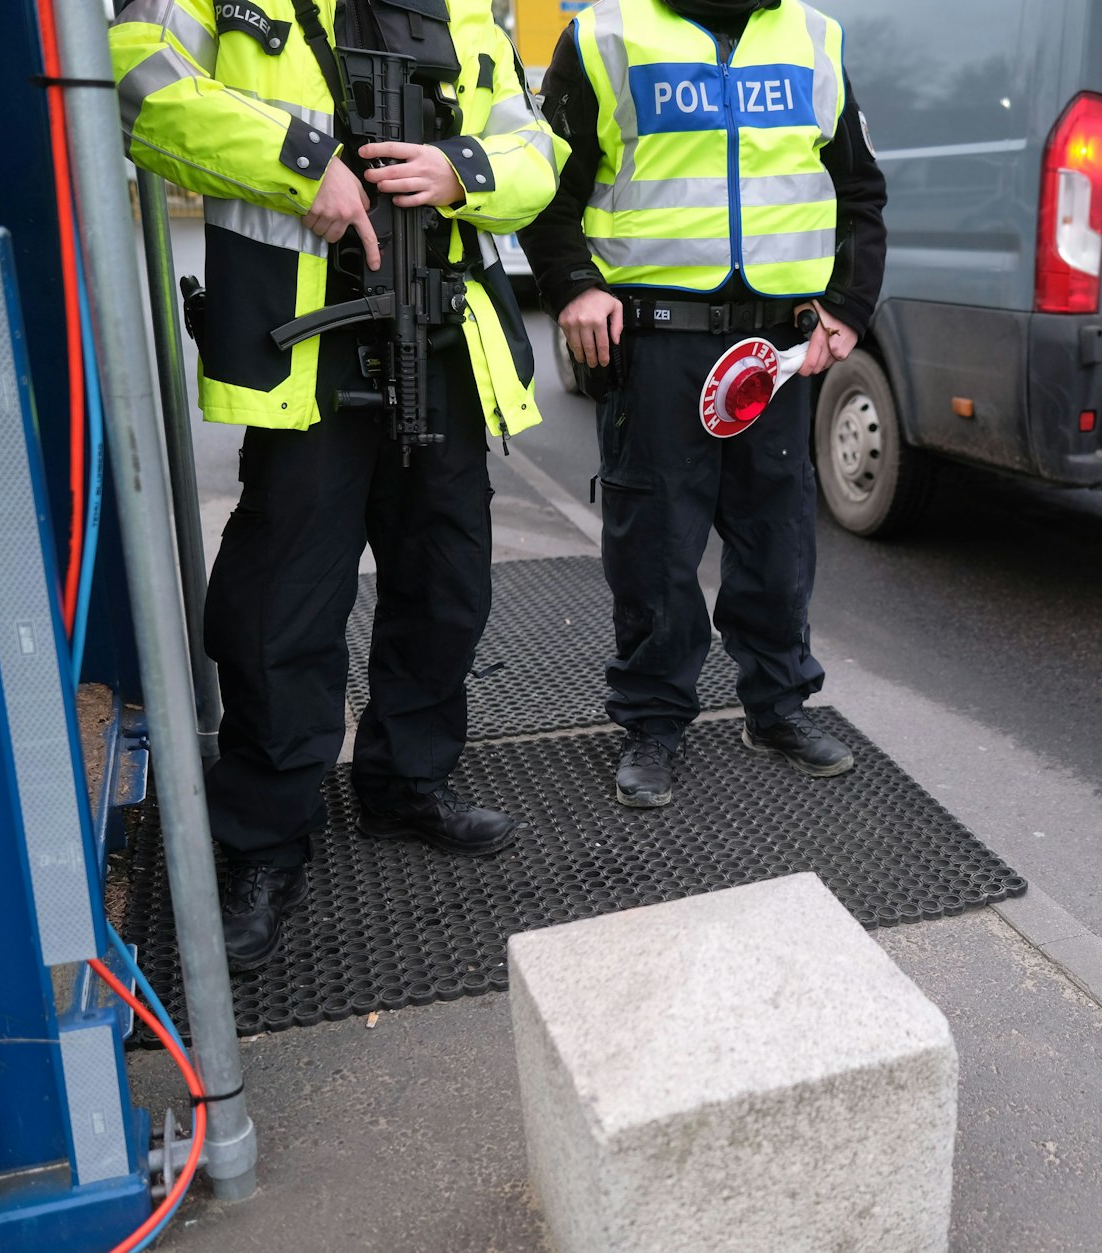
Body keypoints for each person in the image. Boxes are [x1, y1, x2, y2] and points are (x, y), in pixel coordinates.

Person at [111, 0, 568, 970]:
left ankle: (404, 780)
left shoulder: (467, 10)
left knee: (446, 585)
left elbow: (536, 151)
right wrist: (295, 160)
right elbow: (135, 85)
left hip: (442, 340)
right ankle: (265, 840)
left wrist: (463, 169)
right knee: (279, 610)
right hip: (307, 348)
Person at [518, 0, 886, 807]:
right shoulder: (604, 35)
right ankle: (653, 722)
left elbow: (858, 191)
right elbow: (547, 187)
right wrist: (573, 286)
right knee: (655, 540)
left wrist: (846, 309)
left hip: (779, 343)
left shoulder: (814, 39)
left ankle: (778, 706)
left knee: (779, 533)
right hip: (658, 342)